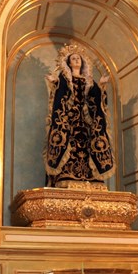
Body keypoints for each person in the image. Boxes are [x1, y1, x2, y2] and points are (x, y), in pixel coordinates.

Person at [43, 44, 115, 188]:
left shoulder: (89, 81)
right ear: (68, 63)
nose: (76, 60)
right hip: (69, 122)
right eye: (73, 58)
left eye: (78, 58)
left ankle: (89, 177)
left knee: (89, 146)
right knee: (68, 144)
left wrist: (101, 87)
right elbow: (59, 97)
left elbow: (97, 100)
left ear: (83, 62)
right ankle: (67, 175)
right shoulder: (64, 80)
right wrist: (54, 83)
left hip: (86, 123)